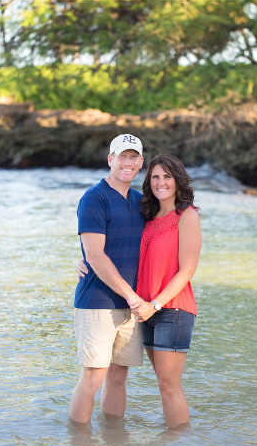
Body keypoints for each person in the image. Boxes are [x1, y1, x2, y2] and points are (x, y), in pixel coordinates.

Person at [81, 153, 202, 428]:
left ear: (178, 180)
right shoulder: (146, 214)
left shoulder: (187, 216)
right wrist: (85, 258)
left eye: (167, 177)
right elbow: (112, 245)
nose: (161, 183)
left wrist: (156, 304)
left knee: (169, 387)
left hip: (172, 309)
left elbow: (188, 270)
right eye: (155, 177)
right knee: (162, 384)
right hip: (145, 311)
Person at [70, 133, 146, 424]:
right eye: (122, 156)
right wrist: (132, 295)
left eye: (133, 157)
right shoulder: (94, 198)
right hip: (98, 302)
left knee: (118, 375)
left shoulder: (141, 201)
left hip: (132, 304)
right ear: (110, 159)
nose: (127, 163)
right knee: (93, 376)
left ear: (140, 162)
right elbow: (96, 255)